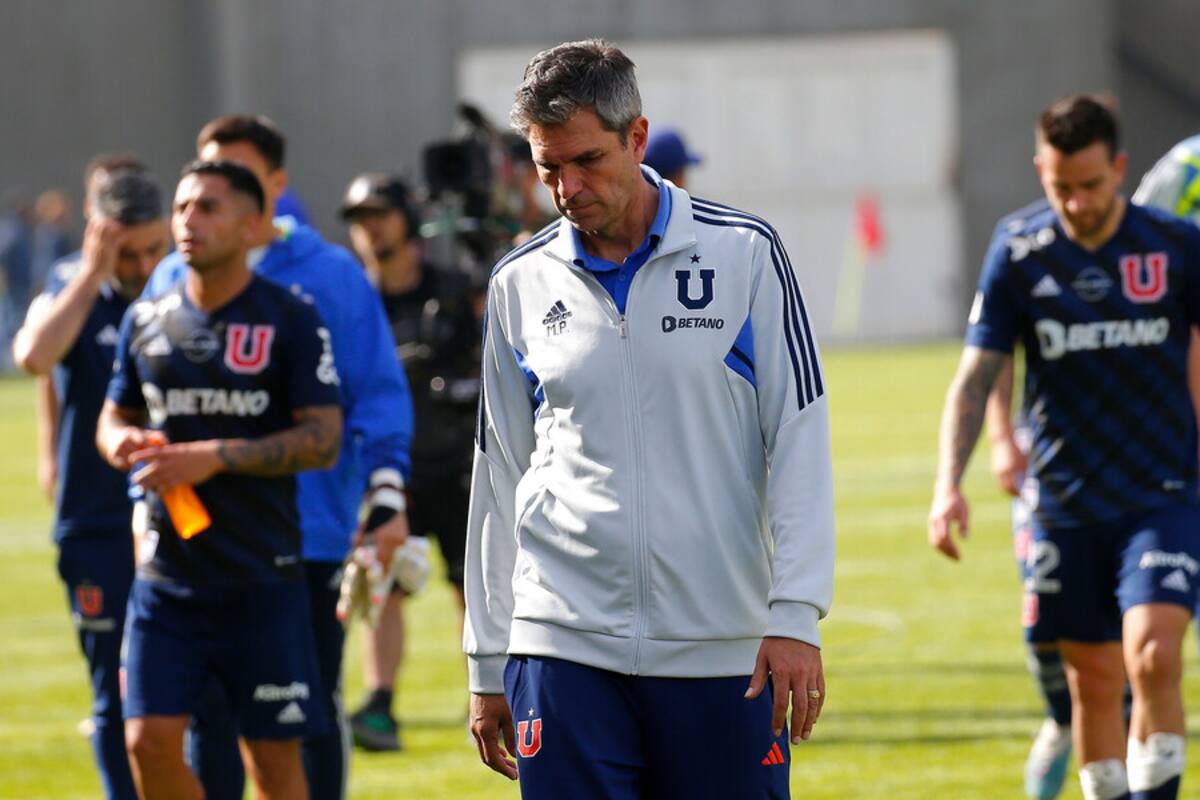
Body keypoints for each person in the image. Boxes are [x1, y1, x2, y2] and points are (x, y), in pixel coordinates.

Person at [465, 39, 834, 799]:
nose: (566, 188)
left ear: (637, 138)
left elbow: (799, 437)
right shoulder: (519, 283)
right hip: (561, 643)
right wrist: (487, 658)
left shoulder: (745, 255)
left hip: (720, 650)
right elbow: (498, 473)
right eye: (546, 169)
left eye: (586, 161)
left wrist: (795, 612)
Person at [929, 95, 1200, 800]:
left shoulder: (1175, 246)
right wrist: (947, 484)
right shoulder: (1018, 250)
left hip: (1162, 493)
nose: (1077, 204)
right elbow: (976, 374)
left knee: (1153, 656)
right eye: (1060, 188)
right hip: (1065, 502)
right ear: (1040, 172)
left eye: (1090, 185)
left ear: (1118, 168)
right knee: (1095, 683)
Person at [142, 116, 413, 800]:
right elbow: (139, 404)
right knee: (202, 723)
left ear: (274, 187)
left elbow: (378, 393)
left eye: (235, 178)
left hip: (307, 540)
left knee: (303, 718)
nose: (215, 196)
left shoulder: (329, 278)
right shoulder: (170, 278)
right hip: (191, 543)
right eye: (204, 179)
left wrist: (385, 494)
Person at [96, 159, 342, 800]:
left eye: (207, 207)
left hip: (262, 577)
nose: (188, 222)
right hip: (166, 581)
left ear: (253, 223)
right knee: (145, 741)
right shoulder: (146, 320)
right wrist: (119, 440)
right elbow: (113, 413)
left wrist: (216, 456)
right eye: (182, 208)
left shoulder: (291, 317)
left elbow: (323, 439)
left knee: (273, 759)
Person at [11, 166, 168, 800]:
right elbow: (34, 357)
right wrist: (89, 273)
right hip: (95, 521)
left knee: (190, 689)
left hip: (176, 516)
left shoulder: (180, 288)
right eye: (125, 252)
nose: (139, 265)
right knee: (111, 688)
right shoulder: (67, 287)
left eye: (151, 248)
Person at [339, 173, 479, 751]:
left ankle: (490, 696)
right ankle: (379, 706)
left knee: (474, 587)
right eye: (359, 218)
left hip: (459, 462)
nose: (369, 228)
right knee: (383, 585)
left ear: (406, 221)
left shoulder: (454, 290)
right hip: (388, 467)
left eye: (379, 214)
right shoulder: (350, 299)